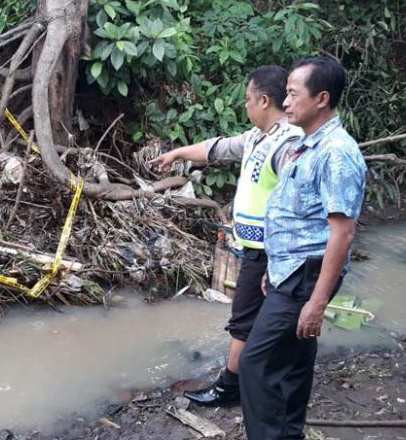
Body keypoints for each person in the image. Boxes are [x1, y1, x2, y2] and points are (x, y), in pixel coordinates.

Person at [150, 65, 303, 407]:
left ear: (264, 100)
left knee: (243, 321)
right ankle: (264, 376)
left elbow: (295, 208)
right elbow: (215, 149)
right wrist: (177, 154)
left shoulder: (288, 144)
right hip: (254, 249)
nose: (245, 105)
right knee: (264, 319)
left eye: (248, 99)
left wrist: (277, 261)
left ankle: (229, 388)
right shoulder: (257, 137)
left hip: (270, 252)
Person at [238, 57, 367, 440]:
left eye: (293, 94)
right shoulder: (306, 145)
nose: (286, 101)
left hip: (305, 279)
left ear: (322, 98)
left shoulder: (336, 154)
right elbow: (299, 219)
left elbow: (342, 233)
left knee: (255, 363)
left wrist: (317, 302)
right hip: (290, 272)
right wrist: (274, 268)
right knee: (293, 363)